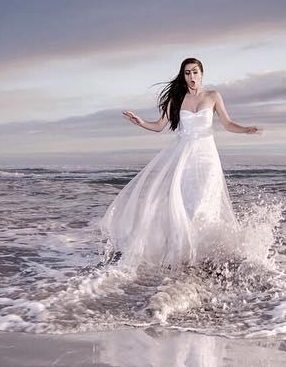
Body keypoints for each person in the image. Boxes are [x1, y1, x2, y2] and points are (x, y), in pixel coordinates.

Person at [99, 58, 262, 269]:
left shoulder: (213, 96)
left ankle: (205, 253)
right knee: (187, 205)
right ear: (183, 75)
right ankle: (187, 253)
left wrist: (246, 129)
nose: (191, 77)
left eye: (195, 72)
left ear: (201, 73)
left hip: (207, 158)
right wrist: (140, 122)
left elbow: (228, 124)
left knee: (206, 202)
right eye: (187, 73)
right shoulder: (176, 99)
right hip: (185, 158)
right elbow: (159, 126)